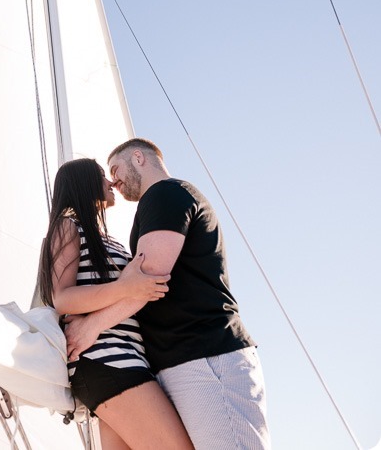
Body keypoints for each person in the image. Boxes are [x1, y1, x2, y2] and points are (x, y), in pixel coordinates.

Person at [65, 138, 270, 449]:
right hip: (183, 361)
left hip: (206, 355)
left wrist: (91, 326)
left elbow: (149, 279)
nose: (114, 181)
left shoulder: (166, 193)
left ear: (139, 158)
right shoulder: (156, 204)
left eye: (116, 170)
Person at [36, 158, 193, 450]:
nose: (110, 183)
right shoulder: (67, 226)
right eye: (101, 176)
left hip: (124, 361)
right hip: (106, 360)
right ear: (84, 183)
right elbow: (63, 299)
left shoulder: (110, 241)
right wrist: (124, 287)